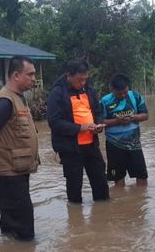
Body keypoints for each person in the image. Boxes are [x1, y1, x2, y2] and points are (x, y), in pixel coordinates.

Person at [0, 56, 40, 241]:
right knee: (25, 226)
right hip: (6, 172)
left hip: (16, 169)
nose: (34, 78)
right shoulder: (3, 102)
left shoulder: (18, 99)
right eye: (30, 74)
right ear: (16, 75)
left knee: (12, 220)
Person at [47, 58, 109, 204]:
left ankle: (104, 213)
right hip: (70, 148)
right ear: (69, 76)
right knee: (74, 185)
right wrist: (81, 128)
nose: (82, 83)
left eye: (85, 79)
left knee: (100, 179)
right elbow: (54, 122)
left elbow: (98, 112)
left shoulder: (89, 90)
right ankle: (75, 217)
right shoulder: (57, 93)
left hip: (91, 145)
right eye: (79, 80)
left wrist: (98, 125)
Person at [100, 74, 149, 187]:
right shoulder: (104, 101)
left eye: (125, 92)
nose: (123, 95)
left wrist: (133, 118)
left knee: (142, 176)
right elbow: (100, 122)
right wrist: (117, 121)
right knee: (118, 179)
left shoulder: (135, 96)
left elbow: (145, 115)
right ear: (111, 89)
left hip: (134, 144)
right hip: (114, 145)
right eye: (119, 93)